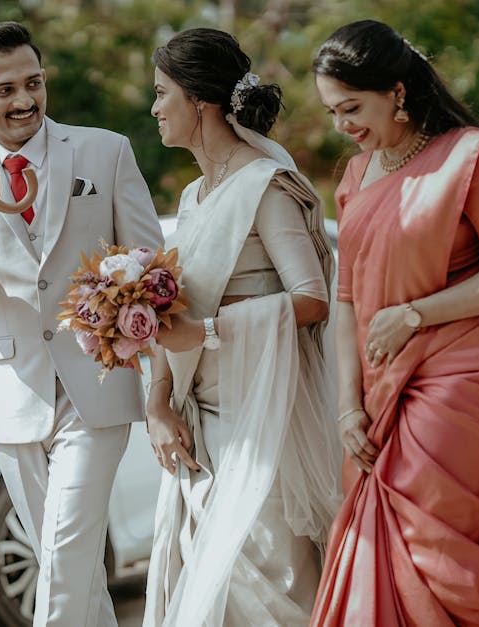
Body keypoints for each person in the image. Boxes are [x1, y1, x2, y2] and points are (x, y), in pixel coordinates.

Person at [0, 21, 163, 626]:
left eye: (33, 83)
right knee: (76, 575)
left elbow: (151, 264)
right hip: (14, 396)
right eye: (4, 90)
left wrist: (146, 359)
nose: (24, 100)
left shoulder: (105, 151)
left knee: (62, 553)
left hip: (98, 385)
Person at [309, 20, 479, 627]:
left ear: (395, 90)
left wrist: (414, 314)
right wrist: (346, 405)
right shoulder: (357, 176)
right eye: (332, 112)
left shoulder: (471, 159)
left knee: (435, 543)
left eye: (352, 107)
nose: (343, 126)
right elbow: (345, 301)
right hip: (380, 381)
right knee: (373, 540)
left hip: (465, 374)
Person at [141, 28, 342, 626]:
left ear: (199, 101)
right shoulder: (196, 196)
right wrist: (156, 404)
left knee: (272, 588)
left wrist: (206, 331)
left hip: (263, 423)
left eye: (160, 93)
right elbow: (171, 312)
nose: (153, 109)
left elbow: (312, 298)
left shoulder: (265, 186)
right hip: (198, 429)